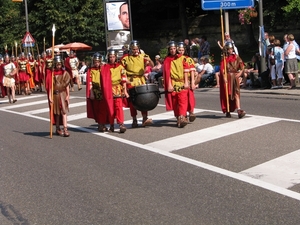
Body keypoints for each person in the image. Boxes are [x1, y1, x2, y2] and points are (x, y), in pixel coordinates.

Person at [120, 40, 154, 128]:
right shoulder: (125, 58)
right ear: (130, 49)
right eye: (134, 49)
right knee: (133, 101)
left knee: (144, 99)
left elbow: (152, 65)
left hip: (141, 79)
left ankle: (144, 118)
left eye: (137, 49)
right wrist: (124, 81)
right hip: (131, 80)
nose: (135, 51)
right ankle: (134, 119)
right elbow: (121, 70)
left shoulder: (143, 56)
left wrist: (149, 61)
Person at [163, 41, 189, 128]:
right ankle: (178, 117)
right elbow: (168, 74)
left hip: (181, 82)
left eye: (174, 48)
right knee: (175, 102)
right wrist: (169, 85)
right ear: (169, 50)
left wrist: (186, 82)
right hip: (173, 82)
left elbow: (186, 70)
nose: (173, 50)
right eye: (171, 49)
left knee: (182, 100)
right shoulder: (167, 60)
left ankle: (182, 116)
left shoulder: (182, 58)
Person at [102, 49, 129, 133]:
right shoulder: (105, 67)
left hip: (118, 89)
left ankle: (121, 124)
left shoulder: (120, 67)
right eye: (110, 57)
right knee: (110, 108)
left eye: (113, 57)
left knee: (119, 107)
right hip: (109, 90)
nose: (112, 58)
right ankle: (111, 125)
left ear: (116, 57)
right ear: (108, 58)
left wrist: (125, 91)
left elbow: (124, 79)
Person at [86, 53, 112, 132]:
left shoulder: (104, 68)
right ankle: (100, 124)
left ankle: (102, 124)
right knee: (97, 109)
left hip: (103, 90)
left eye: (98, 61)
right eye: (95, 62)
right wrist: (91, 93)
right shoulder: (91, 70)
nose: (96, 63)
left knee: (103, 109)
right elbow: (90, 82)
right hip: (95, 91)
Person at [219, 42, 246, 118]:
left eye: (231, 49)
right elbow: (222, 69)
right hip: (228, 77)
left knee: (236, 93)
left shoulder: (236, 57)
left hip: (235, 77)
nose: (230, 50)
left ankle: (239, 110)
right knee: (228, 94)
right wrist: (224, 78)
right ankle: (228, 110)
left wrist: (240, 73)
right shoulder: (224, 59)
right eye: (229, 49)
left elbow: (242, 66)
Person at [47, 55, 71, 137]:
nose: (58, 66)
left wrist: (68, 95)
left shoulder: (64, 73)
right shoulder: (52, 74)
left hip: (63, 94)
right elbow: (51, 86)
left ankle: (65, 128)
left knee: (64, 112)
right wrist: (50, 96)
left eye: (60, 64)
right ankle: (57, 128)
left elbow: (67, 85)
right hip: (56, 95)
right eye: (57, 64)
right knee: (57, 113)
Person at [177, 41, 197, 122]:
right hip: (179, 81)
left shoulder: (188, 59)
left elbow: (192, 71)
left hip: (188, 81)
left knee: (190, 98)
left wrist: (192, 82)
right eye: (180, 50)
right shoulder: (176, 59)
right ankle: (183, 115)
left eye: (182, 50)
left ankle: (191, 112)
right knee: (181, 100)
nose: (181, 52)